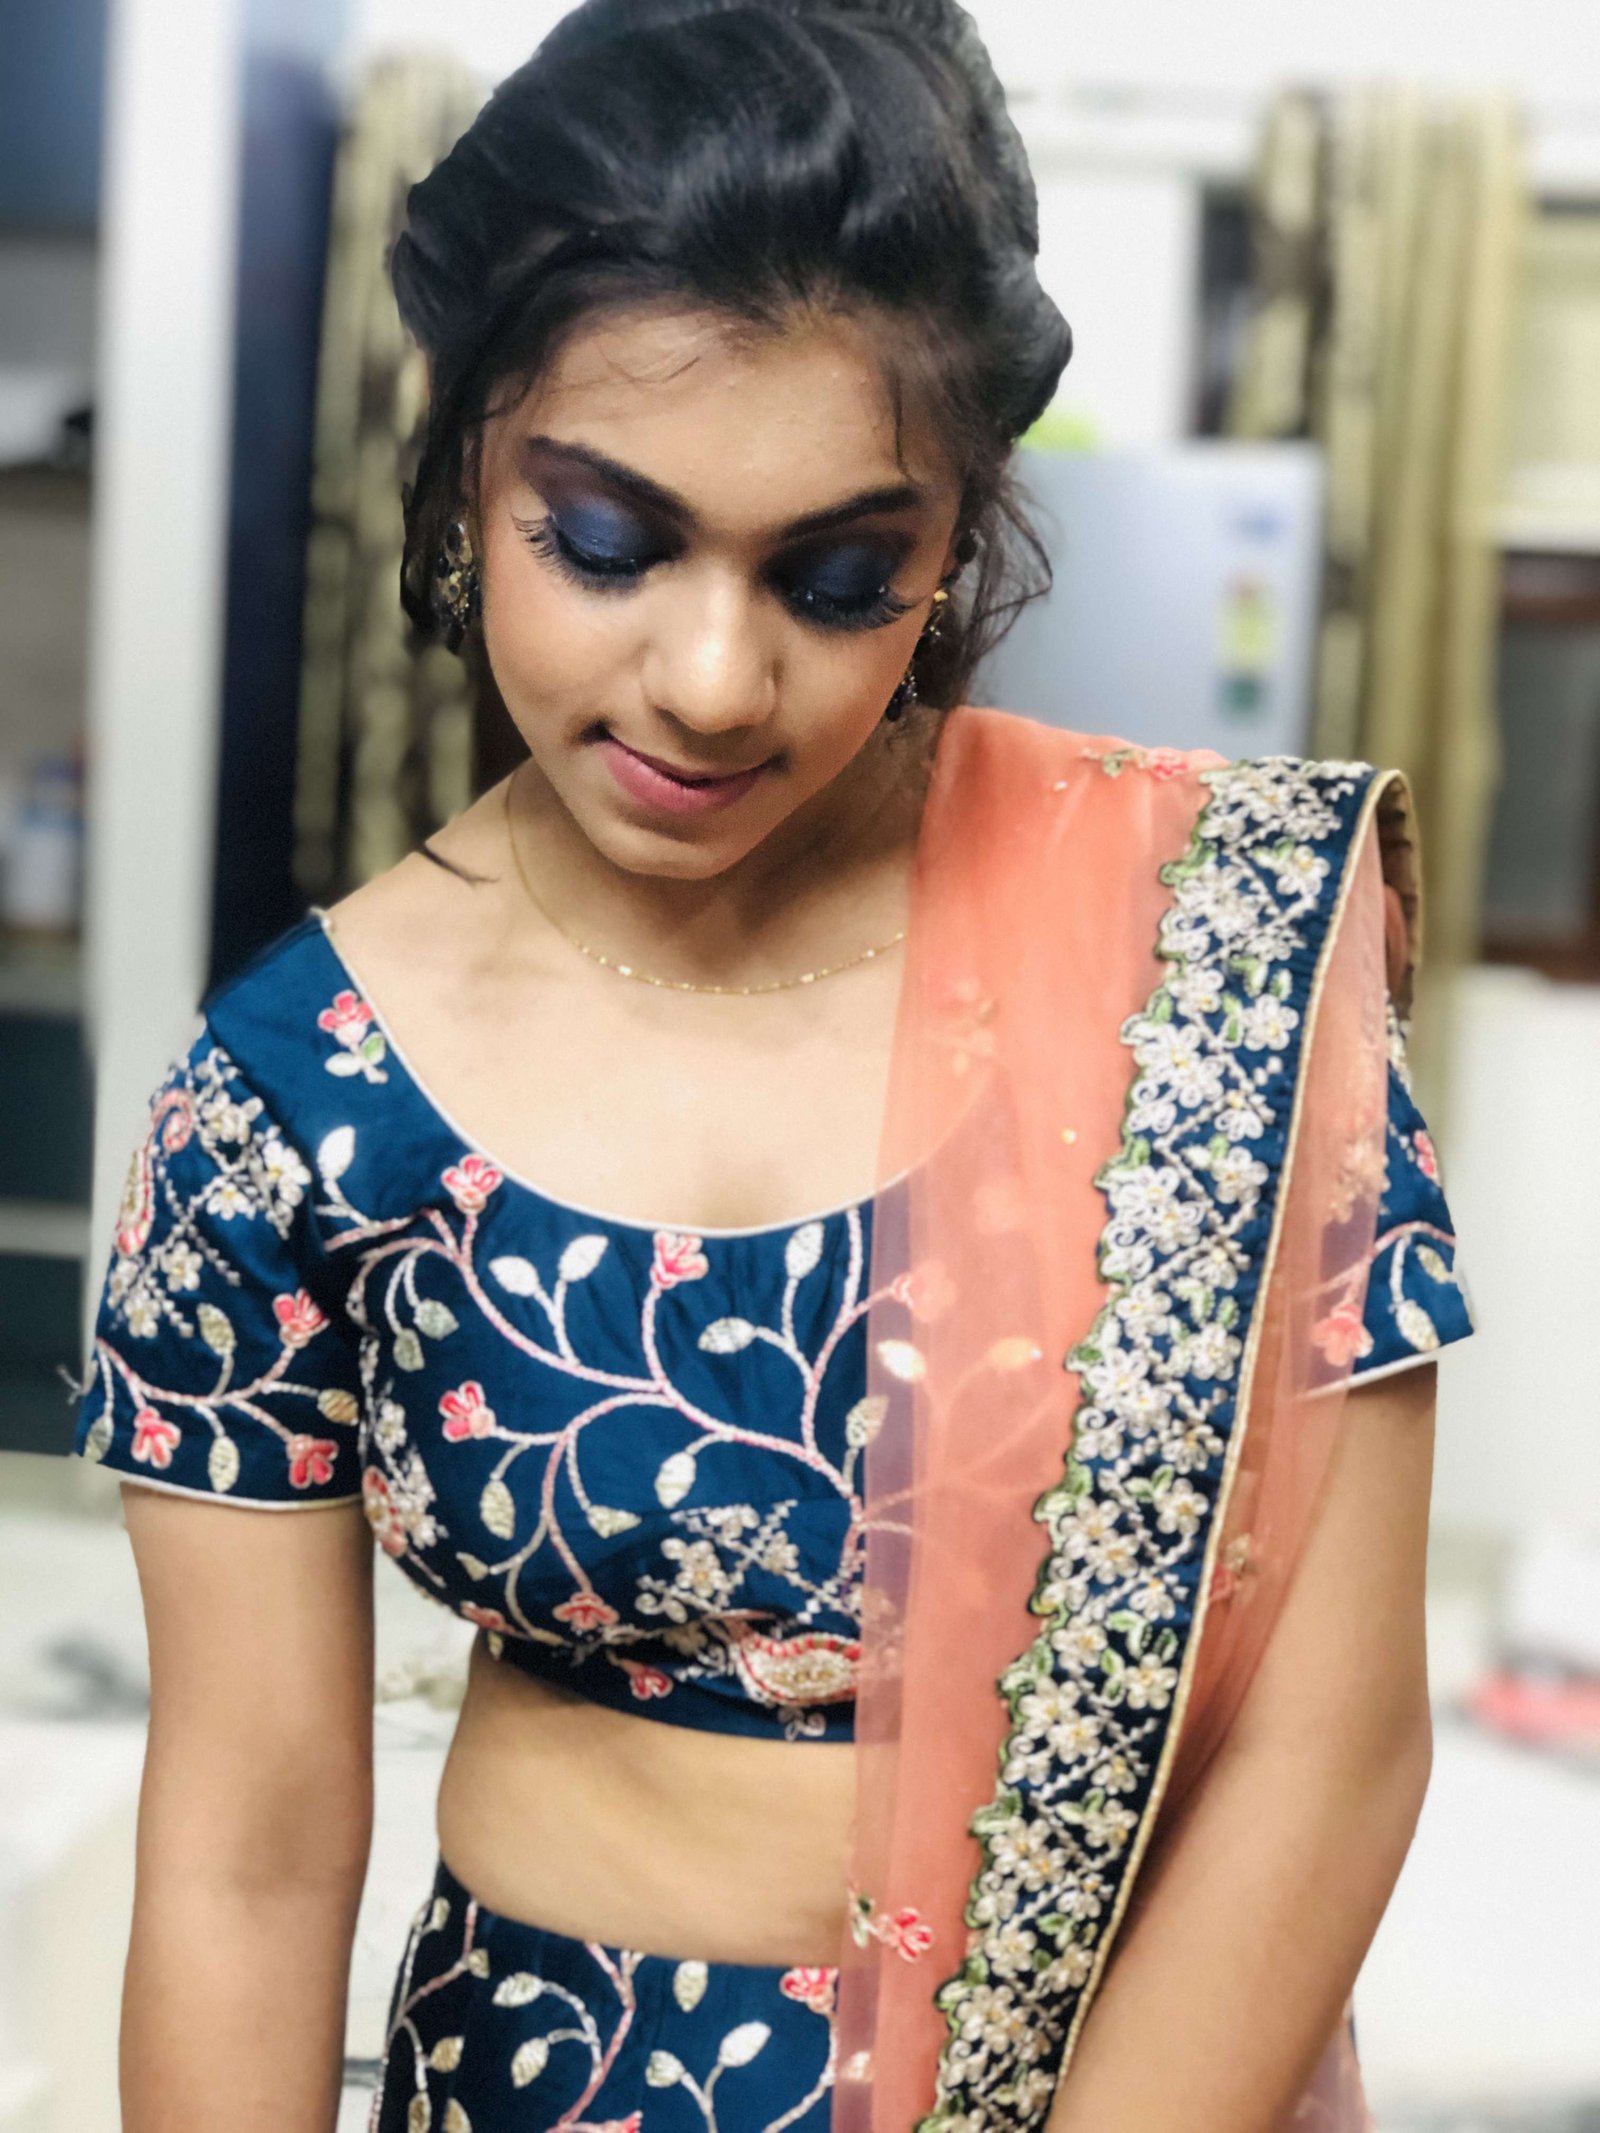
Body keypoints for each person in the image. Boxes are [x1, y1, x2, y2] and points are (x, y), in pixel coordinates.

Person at [70, 3, 1475, 2130]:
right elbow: (247, 1850)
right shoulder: (293, 1100)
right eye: (605, 542)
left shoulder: (1212, 948)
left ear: (956, 538)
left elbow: (1330, 1743)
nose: (714, 681)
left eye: (835, 578)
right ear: (466, 460)